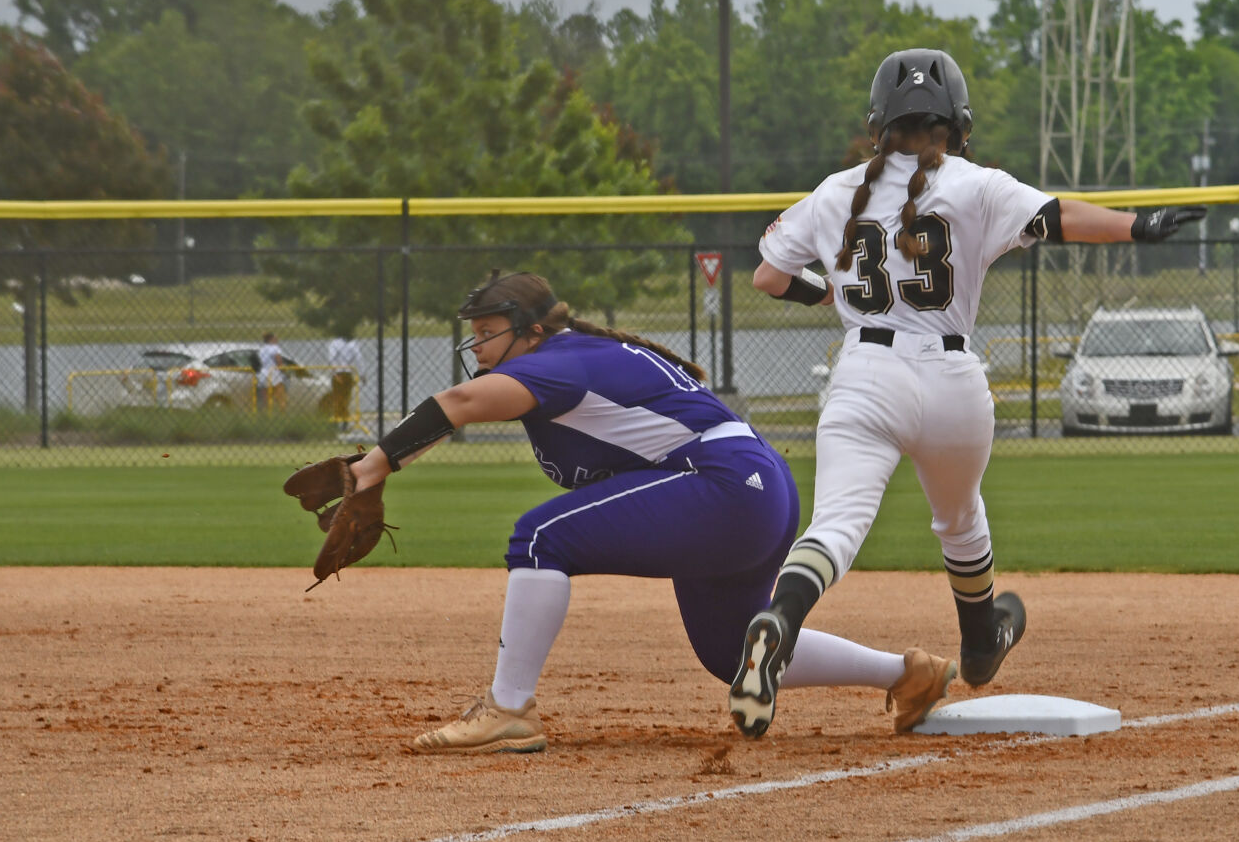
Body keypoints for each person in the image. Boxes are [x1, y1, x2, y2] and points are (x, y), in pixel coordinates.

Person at [728, 47, 1203, 738]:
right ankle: (981, 642)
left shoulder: (835, 192)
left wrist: (824, 289)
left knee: (835, 526)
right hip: (951, 377)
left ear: (876, 122)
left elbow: (768, 276)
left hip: (864, 372)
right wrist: (1137, 224)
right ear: (957, 121)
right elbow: (1055, 217)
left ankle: (782, 617)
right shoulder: (976, 184)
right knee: (959, 520)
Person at [342, 270, 957, 753]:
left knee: (538, 538)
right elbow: (459, 410)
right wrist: (382, 461)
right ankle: (908, 674)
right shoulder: (567, 358)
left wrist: (371, 468)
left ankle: (508, 710)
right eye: (473, 331)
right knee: (729, 651)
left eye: (489, 329)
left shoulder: (558, 362)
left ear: (530, 329)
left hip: (723, 489)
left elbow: (460, 401)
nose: (476, 343)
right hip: (752, 490)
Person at [326, 332, 363, 433]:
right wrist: (362, 373)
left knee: (338, 398)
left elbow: (331, 358)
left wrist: (334, 373)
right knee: (346, 398)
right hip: (348, 373)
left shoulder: (334, 344)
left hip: (339, 372)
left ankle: (339, 420)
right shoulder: (353, 343)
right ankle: (343, 421)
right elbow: (358, 358)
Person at [257, 331, 287, 414]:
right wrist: (284, 370)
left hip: (263, 373)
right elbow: (279, 361)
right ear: (271, 339)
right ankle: (282, 412)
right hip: (273, 372)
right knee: (280, 394)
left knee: (266, 395)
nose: (277, 340)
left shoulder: (262, 349)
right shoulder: (275, 348)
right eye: (275, 338)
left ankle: (267, 412)